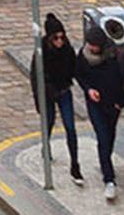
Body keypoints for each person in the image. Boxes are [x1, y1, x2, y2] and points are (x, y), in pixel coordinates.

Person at [74, 23, 124, 201]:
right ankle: (109, 180)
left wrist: (122, 103)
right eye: (89, 44)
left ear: (102, 45)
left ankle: (105, 163)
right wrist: (88, 90)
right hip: (95, 105)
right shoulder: (84, 55)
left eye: (94, 46)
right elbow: (79, 74)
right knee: (103, 138)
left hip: (113, 106)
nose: (91, 48)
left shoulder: (118, 57)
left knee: (109, 138)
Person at [37, 13, 83, 186]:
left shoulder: (68, 50)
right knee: (48, 122)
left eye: (62, 37)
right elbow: (37, 78)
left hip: (64, 92)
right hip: (48, 94)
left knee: (70, 127)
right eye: (56, 38)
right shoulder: (41, 51)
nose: (60, 41)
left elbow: (75, 70)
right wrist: (42, 98)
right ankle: (45, 146)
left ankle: (75, 164)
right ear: (49, 38)